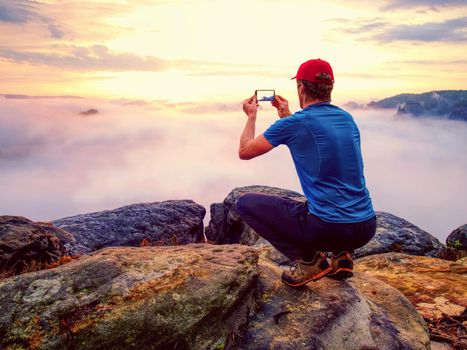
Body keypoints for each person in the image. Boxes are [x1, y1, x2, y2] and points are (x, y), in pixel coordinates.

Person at [235, 58, 377, 288]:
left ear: (301, 88)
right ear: (330, 87)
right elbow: (313, 136)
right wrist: (286, 114)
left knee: (244, 203)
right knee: (335, 191)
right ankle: (342, 256)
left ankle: (309, 261)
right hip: (365, 227)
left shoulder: (297, 123)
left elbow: (245, 151)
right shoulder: (347, 119)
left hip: (328, 228)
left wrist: (251, 116)